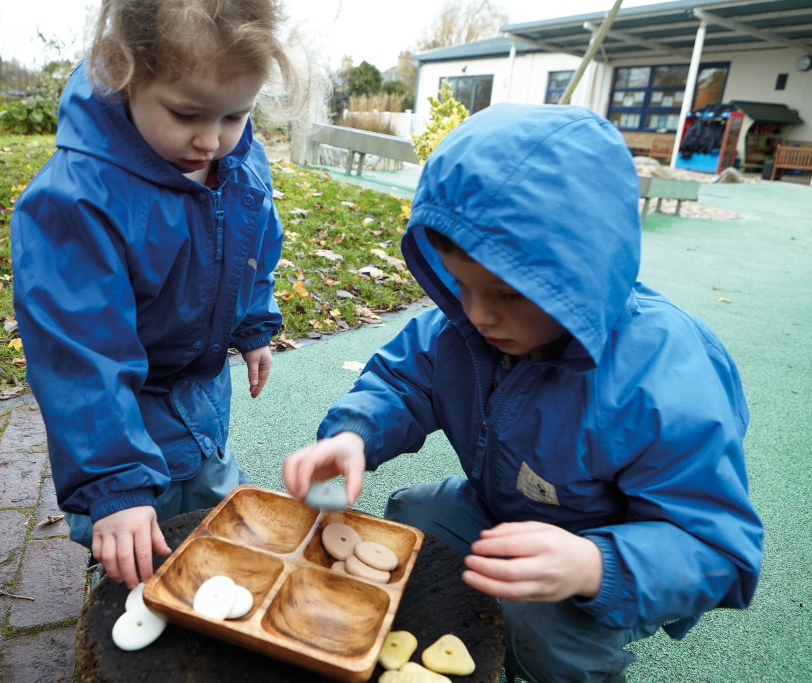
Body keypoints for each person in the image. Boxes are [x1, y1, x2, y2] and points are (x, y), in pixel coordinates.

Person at [282, 103, 763, 682]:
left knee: (544, 627)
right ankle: (454, 638)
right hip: (504, 508)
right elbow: (404, 378)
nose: (478, 313)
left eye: (509, 293)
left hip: (602, 557)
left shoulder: (662, 377)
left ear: (578, 277)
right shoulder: (462, 325)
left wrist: (593, 565)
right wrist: (355, 434)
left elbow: (718, 550)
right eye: (461, 284)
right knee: (416, 514)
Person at [11, 0, 298, 588]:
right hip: (123, 407)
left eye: (235, 115)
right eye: (187, 113)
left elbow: (254, 245)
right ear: (125, 72)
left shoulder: (237, 160)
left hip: (200, 390)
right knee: (137, 537)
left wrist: (253, 326)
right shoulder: (77, 199)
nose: (212, 140)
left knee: (210, 508)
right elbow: (80, 353)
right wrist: (113, 484)